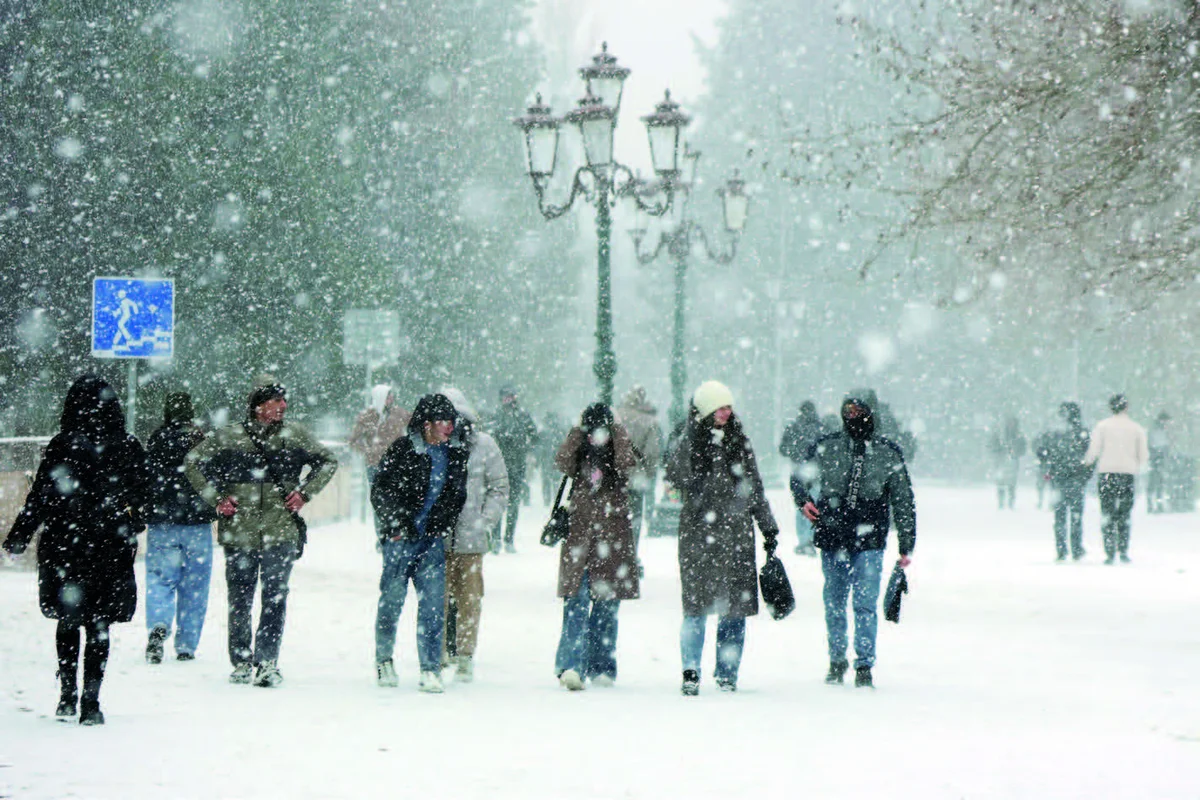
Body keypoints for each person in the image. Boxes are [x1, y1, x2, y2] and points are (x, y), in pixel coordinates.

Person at [3, 375, 150, 725]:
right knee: (99, 624)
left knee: (69, 619)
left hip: (64, 545)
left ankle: (67, 695)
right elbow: (144, 497)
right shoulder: (127, 445)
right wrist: (129, 521)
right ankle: (91, 702)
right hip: (108, 547)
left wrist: (19, 536)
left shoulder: (62, 444)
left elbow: (39, 496)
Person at [185, 374, 338, 687]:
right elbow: (192, 461)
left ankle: (267, 661)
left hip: (280, 531)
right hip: (239, 532)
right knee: (240, 598)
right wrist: (216, 499)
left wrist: (306, 492)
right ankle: (241, 660)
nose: (283, 406)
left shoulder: (295, 434)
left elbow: (328, 460)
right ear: (258, 407)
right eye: (275, 401)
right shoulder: (229, 436)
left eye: (283, 400)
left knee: (274, 597)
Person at [792, 396, 916, 690]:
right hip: (836, 532)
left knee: (862, 603)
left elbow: (902, 498)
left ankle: (863, 665)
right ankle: (838, 660)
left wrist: (906, 542)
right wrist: (804, 500)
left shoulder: (886, 453)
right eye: (848, 412)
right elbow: (799, 478)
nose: (853, 417)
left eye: (859, 412)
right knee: (835, 601)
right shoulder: (829, 446)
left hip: (867, 536)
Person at [666, 381, 779, 696]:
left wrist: (768, 526)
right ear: (704, 410)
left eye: (728, 406)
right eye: (719, 407)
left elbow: (754, 487)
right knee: (695, 608)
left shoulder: (739, 443)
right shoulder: (688, 442)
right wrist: (692, 440)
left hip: (735, 536)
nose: (726, 413)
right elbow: (674, 473)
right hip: (697, 535)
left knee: (734, 609)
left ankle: (727, 672)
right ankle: (691, 669)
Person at [371, 393, 469, 693]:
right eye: (443, 421)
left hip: (431, 542)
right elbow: (381, 491)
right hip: (400, 541)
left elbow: (457, 496)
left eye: (452, 422)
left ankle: (429, 668)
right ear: (426, 424)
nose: (449, 428)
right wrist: (395, 525)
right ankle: (384, 660)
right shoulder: (403, 450)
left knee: (432, 606)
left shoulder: (455, 455)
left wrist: (442, 522)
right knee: (392, 602)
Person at [553, 403, 640, 690]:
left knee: (606, 607)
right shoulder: (579, 457)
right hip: (580, 542)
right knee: (576, 604)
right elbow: (562, 460)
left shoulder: (618, 455)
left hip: (611, 543)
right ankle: (570, 665)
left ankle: (602, 666)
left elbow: (628, 462)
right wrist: (578, 431)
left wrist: (617, 429)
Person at [438, 387, 509, 683]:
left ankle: (465, 654)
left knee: (469, 598)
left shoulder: (485, 445)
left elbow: (499, 486)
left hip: (471, 538)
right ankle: (438, 652)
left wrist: (485, 521)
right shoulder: (431, 443)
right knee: (437, 598)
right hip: (436, 538)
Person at [143, 392, 216, 664]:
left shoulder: (156, 439)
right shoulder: (201, 441)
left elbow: (147, 476)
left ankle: (158, 625)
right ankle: (186, 644)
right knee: (195, 585)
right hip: (197, 523)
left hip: (163, 521)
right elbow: (213, 477)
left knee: (160, 579)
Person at [1083, 394, 1149, 564]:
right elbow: (1143, 456)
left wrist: (1087, 463)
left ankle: (1109, 550)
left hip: (1107, 473)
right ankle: (1123, 549)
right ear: (1126, 407)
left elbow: (1093, 452)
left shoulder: (1102, 427)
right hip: (1127, 474)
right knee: (1124, 514)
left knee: (1107, 512)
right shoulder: (1136, 428)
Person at [1037, 402, 1093, 561]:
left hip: (1058, 478)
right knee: (1076, 515)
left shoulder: (1053, 433)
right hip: (1076, 478)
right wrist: (1085, 475)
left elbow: (1041, 451)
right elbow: (1090, 455)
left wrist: (1048, 468)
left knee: (1059, 515)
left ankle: (1061, 549)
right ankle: (1076, 547)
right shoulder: (1082, 433)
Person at [490, 386, 538, 553]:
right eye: (505, 397)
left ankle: (508, 539)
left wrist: (524, 448)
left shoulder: (522, 416)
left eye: (510, 397)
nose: (508, 400)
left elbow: (534, 436)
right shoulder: (497, 416)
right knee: (499, 503)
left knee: (512, 504)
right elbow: (489, 437)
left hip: (516, 466)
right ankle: (496, 539)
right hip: (500, 466)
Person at [616, 386, 662, 554]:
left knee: (614, 519)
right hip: (636, 479)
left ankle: (614, 556)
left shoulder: (615, 418)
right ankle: (630, 556)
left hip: (614, 479)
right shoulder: (649, 422)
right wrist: (648, 473)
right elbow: (652, 453)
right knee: (634, 519)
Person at [779, 400, 823, 555]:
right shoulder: (820, 427)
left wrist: (795, 452)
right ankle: (812, 537)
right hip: (817, 471)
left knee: (802, 505)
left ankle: (804, 540)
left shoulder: (794, 428)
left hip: (799, 470)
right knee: (815, 503)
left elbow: (783, 449)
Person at [988, 415, 1027, 510]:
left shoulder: (1018, 436)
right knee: (1001, 482)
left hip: (1012, 461)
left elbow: (1023, 448)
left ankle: (1010, 503)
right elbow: (992, 446)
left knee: (1011, 483)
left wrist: (1015, 453)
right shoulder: (1000, 435)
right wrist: (999, 451)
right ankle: (1001, 502)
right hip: (1001, 461)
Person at [537, 411, 568, 505]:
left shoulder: (543, 432)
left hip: (547, 459)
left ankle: (548, 499)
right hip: (553, 459)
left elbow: (539, 447)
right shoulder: (559, 431)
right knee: (554, 480)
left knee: (547, 480)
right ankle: (554, 498)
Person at [1147, 412, 1171, 513]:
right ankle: (1154, 504)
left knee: (1157, 482)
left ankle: (1154, 504)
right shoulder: (1158, 430)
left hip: (1157, 457)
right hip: (1156, 457)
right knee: (1156, 482)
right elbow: (1155, 443)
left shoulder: (1159, 429)